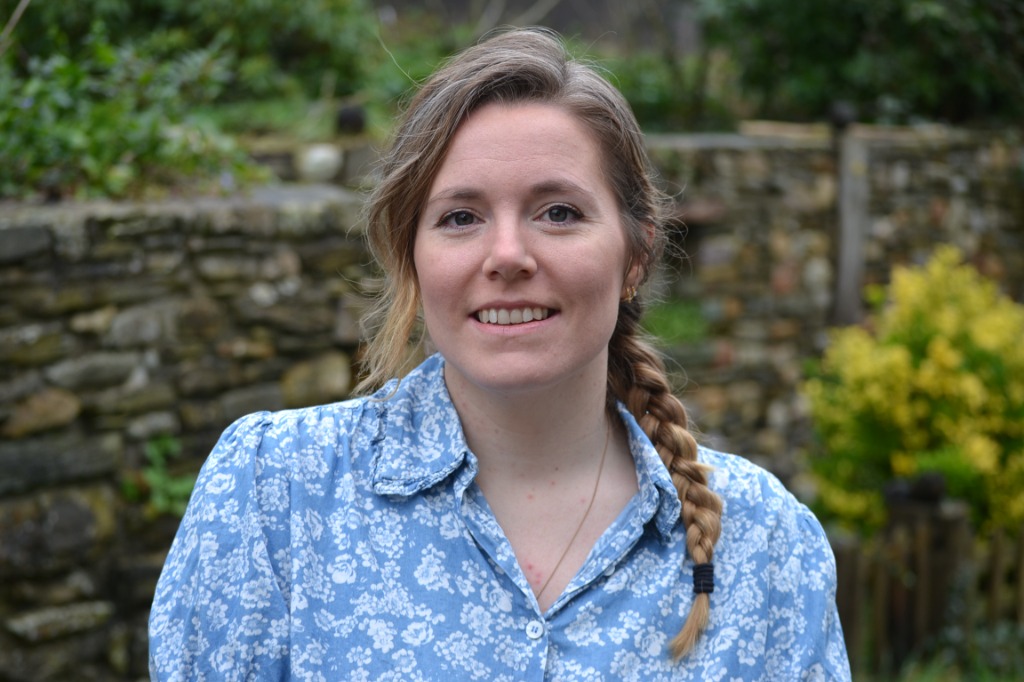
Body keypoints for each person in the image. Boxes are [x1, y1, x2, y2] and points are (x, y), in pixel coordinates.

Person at [149, 27, 851, 680]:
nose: (508, 255)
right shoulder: (277, 492)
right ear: (412, 258)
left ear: (636, 255)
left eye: (559, 212)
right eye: (461, 217)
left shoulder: (765, 544)